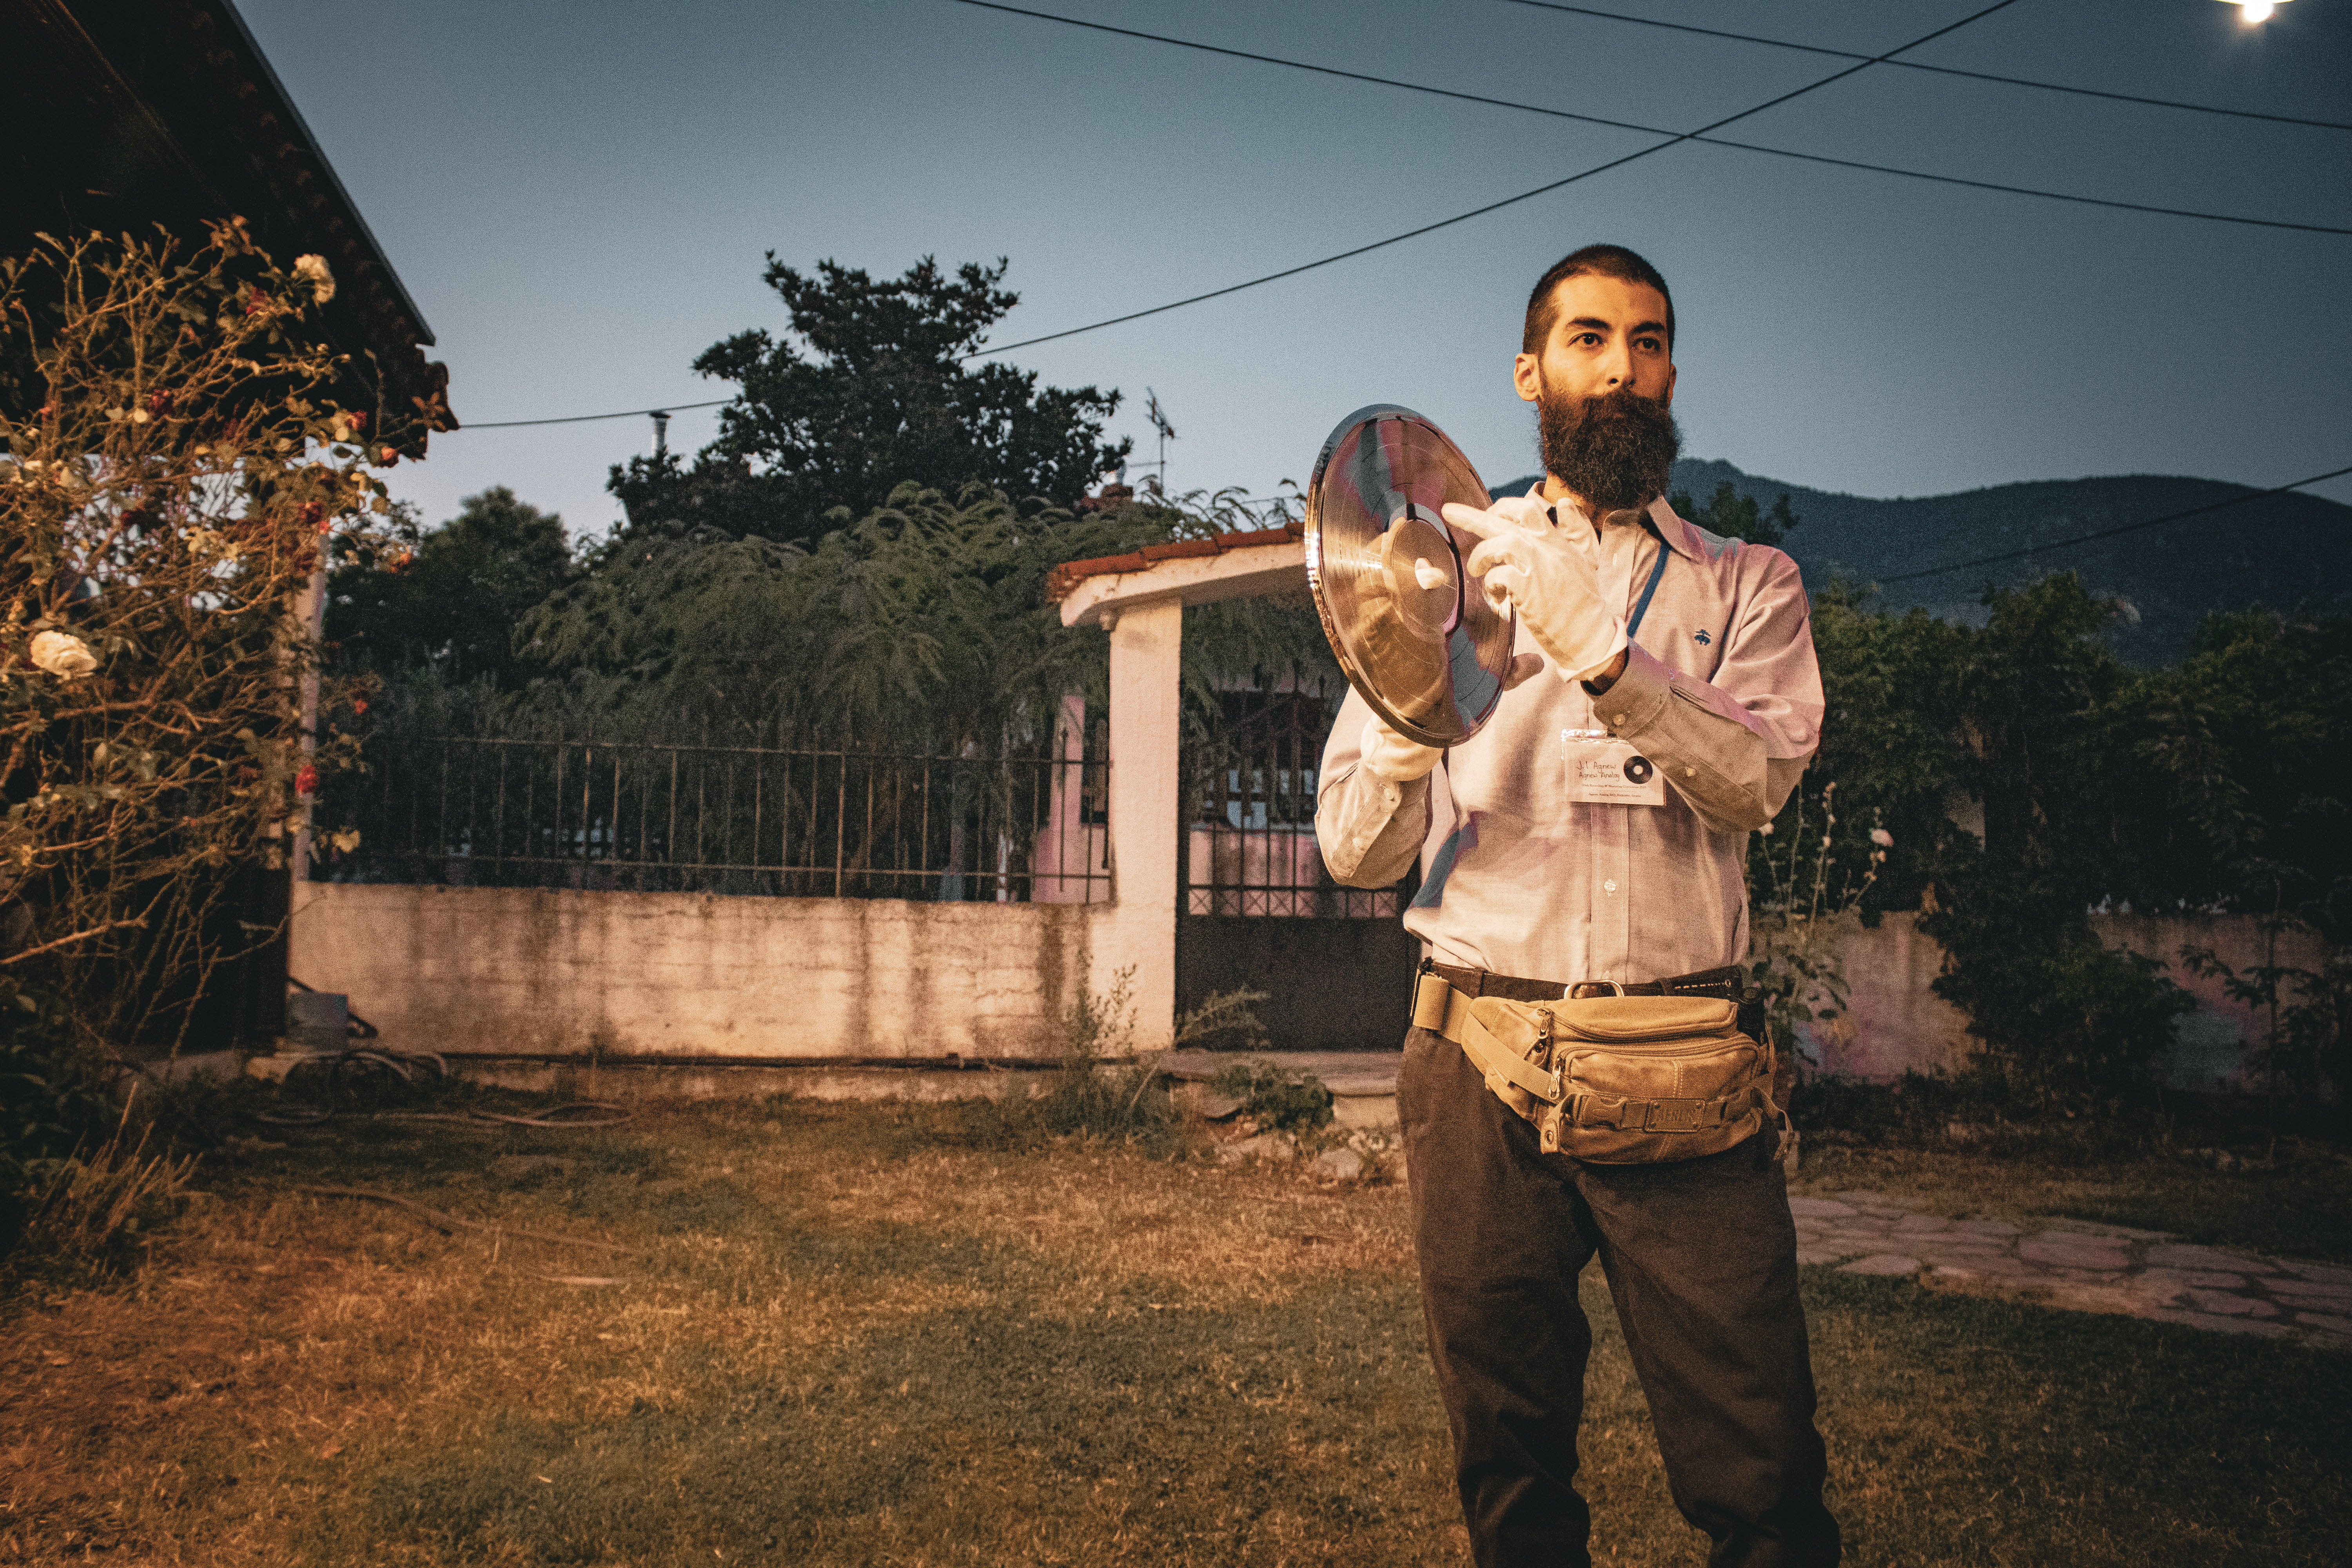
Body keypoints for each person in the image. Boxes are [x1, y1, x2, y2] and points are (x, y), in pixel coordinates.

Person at [1314, 244, 1838, 1568]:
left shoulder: (1745, 585)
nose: (1623, 370)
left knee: (1761, 1468)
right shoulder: (1432, 570)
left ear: (1670, 372)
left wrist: (1606, 653)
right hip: (1476, 1059)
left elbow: (1756, 785)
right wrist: (1409, 698)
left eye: (1648, 344)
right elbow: (1353, 856)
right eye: (1590, 341)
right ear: (1531, 372)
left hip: (1683, 1066)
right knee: (1511, 1462)